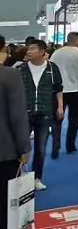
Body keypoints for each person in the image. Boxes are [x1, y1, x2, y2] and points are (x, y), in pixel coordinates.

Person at [19, 40, 63, 191]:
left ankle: (37, 178)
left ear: (42, 51)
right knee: (21, 147)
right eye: (28, 48)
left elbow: (58, 88)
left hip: (45, 113)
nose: (29, 51)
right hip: (24, 113)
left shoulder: (52, 68)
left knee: (41, 148)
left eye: (33, 49)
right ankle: (19, 177)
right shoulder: (21, 69)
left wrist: (60, 107)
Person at [0, 37, 30, 229]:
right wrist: (24, 147)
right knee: (6, 206)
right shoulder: (9, 75)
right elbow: (17, 114)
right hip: (5, 150)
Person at [48, 31, 78, 157]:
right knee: (74, 119)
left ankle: (55, 146)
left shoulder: (57, 52)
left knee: (56, 120)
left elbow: (50, 69)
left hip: (58, 90)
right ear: (76, 40)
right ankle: (70, 146)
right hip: (76, 90)